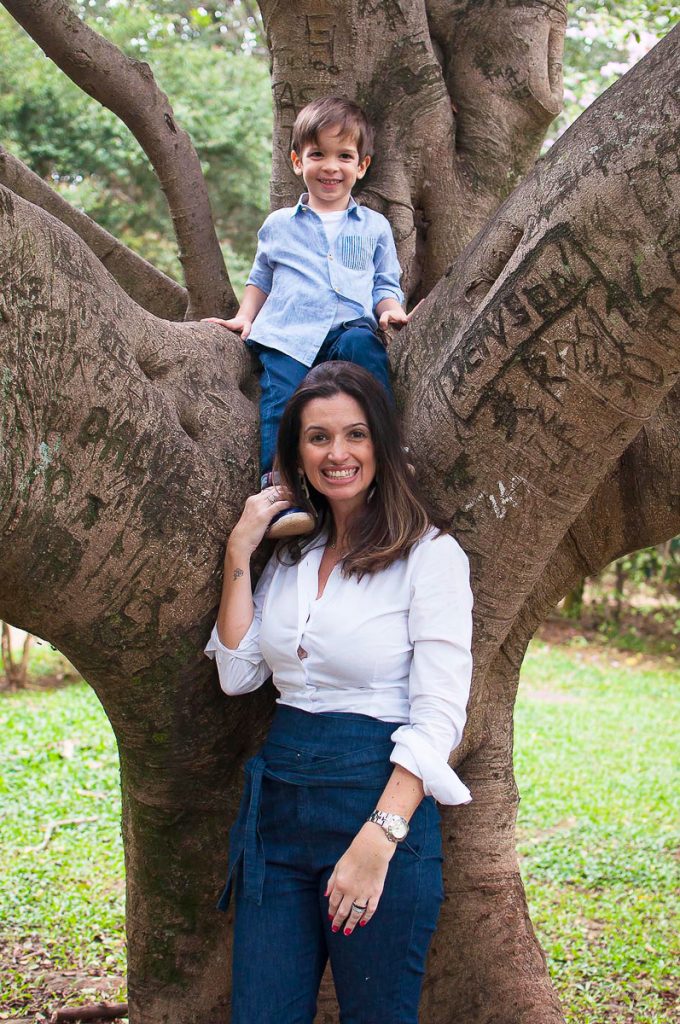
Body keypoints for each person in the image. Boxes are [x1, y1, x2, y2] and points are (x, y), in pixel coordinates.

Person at [205, 362, 473, 1024]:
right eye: (318, 437)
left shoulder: (430, 555)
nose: (337, 453)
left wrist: (379, 839)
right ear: (296, 452)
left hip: (376, 804)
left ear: (380, 442)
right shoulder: (292, 556)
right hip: (277, 818)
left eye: (355, 434)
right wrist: (240, 548)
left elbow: (439, 715)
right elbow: (237, 674)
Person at [204, 96, 412, 538]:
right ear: (298, 161)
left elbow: (384, 283)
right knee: (280, 402)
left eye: (344, 156)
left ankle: (388, 458)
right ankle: (280, 494)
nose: (330, 167)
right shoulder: (279, 224)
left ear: (362, 166)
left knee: (368, 363)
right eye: (318, 154)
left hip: (348, 330)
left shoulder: (374, 226)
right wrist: (244, 317)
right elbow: (261, 278)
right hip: (288, 334)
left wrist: (390, 311)